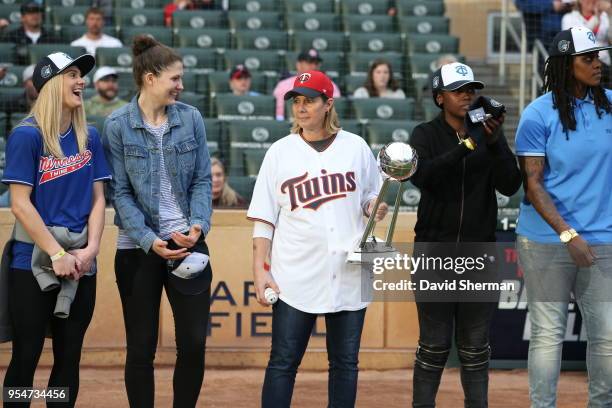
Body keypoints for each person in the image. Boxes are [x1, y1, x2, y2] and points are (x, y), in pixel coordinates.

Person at [248, 70, 388, 408]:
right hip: (295, 275)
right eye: (297, 101)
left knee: (345, 365)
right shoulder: (279, 152)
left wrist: (373, 207)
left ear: (328, 104)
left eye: (309, 100)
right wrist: (259, 269)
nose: (301, 107)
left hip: (350, 272)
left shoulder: (355, 147)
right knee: (283, 363)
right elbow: (264, 220)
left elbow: (369, 195)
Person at [102, 35, 212, 408]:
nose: (181, 86)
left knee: (194, 343)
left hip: (188, 244)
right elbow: (120, 194)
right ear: (150, 78)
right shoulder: (116, 124)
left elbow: (201, 179)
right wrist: (150, 240)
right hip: (137, 249)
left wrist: (197, 225)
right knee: (141, 347)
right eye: (175, 78)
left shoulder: (191, 118)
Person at [408, 62, 521, 407]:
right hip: (434, 254)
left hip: (479, 254)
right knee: (434, 346)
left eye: (471, 90)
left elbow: (511, 184)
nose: (467, 95)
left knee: (475, 349)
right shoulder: (424, 134)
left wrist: (496, 139)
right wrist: (467, 146)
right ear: (439, 97)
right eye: (458, 90)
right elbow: (424, 176)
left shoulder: (486, 136)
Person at [0, 51, 111, 407]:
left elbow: (98, 199)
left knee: (68, 358)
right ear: (49, 84)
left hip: (80, 261)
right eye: (73, 74)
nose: (82, 81)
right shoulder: (26, 136)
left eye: (82, 75)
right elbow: (19, 203)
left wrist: (91, 249)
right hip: (31, 262)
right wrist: (57, 253)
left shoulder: (90, 137)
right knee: (26, 357)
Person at [515, 26, 612, 408]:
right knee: (547, 334)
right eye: (587, 58)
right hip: (545, 239)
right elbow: (533, 184)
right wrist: (568, 235)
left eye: (598, 56)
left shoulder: (610, 103)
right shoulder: (538, 114)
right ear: (564, 65)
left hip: (603, 237)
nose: (597, 63)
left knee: (606, 335)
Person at [272, 49, 341, 121]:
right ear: (299, 65)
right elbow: (279, 115)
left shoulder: (329, 84)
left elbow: (335, 110)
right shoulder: (284, 85)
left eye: (316, 63)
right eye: (310, 62)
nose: (314, 66)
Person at [562, 0, 612, 85]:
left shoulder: (604, 17)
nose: (592, 1)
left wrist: (610, 13)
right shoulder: (569, 18)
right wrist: (596, 18)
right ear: (579, 1)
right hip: (582, 62)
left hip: (604, 64)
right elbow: (576, 38)